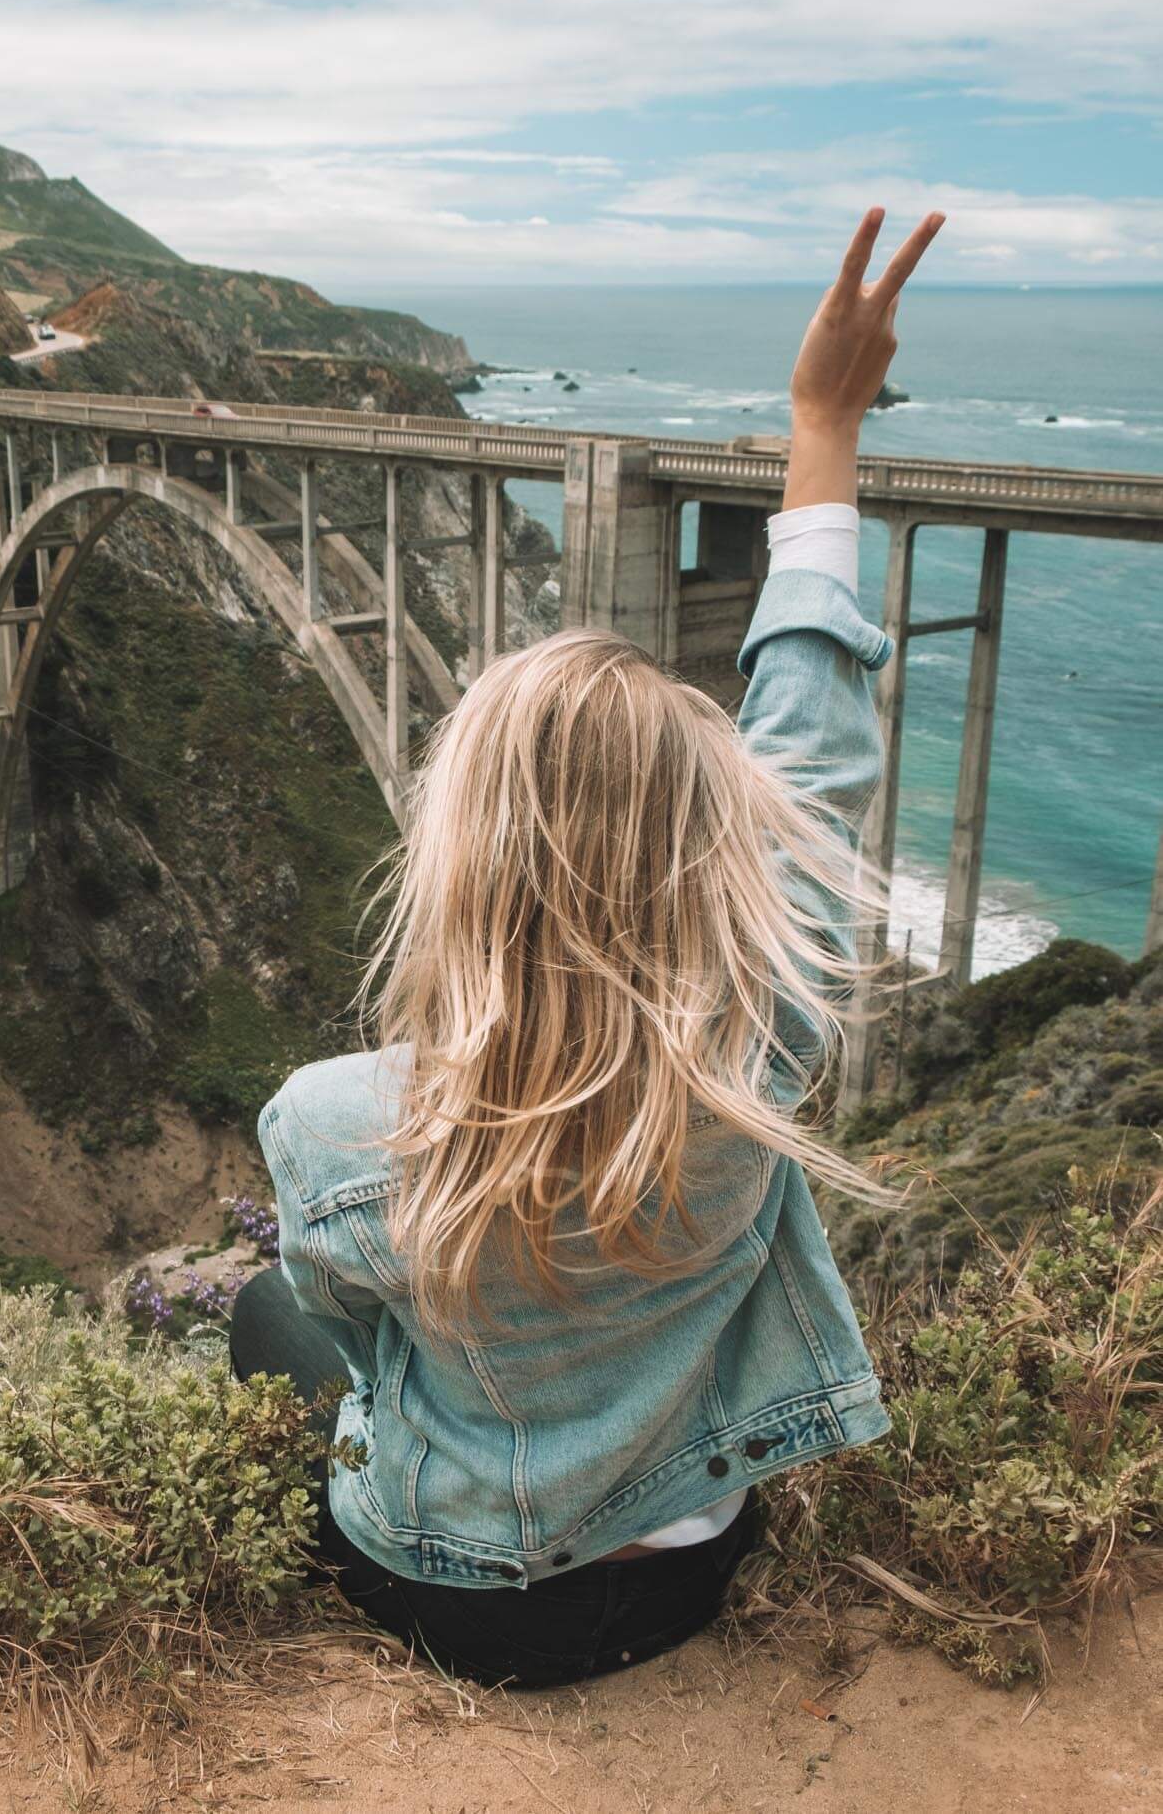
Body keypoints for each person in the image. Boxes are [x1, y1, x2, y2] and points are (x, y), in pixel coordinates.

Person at [230, 206, 945, 1689]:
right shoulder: (765, 1046)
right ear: (715, 851)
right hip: (692, 1572)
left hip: (449, 1593)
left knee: (259, 1309)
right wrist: (825, 429)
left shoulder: (336, 1122)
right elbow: (816, 749)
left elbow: (348, 1318)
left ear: (458, 858)